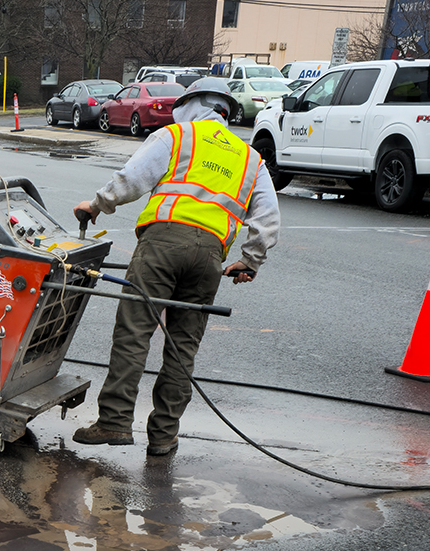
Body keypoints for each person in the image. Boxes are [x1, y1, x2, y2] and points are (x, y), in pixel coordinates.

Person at [71, 74, 278, 460]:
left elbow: (132, 180)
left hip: (163, 244)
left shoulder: (178, 136)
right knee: (183, 345)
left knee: (135, 331)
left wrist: (96, 205)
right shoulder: (251, 159)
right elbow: (267, 220)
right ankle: (164, 436)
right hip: (210, 257)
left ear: (191, 105)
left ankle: (115, 422)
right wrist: (250, 261)